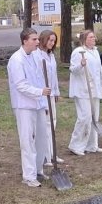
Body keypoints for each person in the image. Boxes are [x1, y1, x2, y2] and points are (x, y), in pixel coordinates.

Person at [7, 28, 46, 187]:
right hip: (23, 105)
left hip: (39, 103)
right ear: (25, 41)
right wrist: (39, 92)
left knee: (42, 138)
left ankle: (38, 169)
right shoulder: (16, 60)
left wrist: (43, 96)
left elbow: (40, 77)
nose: (37, 42)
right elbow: (20, 85)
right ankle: (29, 175)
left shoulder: (36, 56)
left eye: (37, 39)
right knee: (27, 140)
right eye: (34, 39)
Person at [67, 30, 102, 155]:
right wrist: (81, 65)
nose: (94, 39)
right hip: (83, 89)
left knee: (94, 117)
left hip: (95, 89)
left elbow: (100, 70)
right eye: (91, 37)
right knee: (85, 117)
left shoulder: (95, 51)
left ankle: (91, 145)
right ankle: (76, 145)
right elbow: (73, 70)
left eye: (94, 37)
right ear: (84, 39)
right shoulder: (78, 52)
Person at [35, 30, 61, 170]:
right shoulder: (37, 55)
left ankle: (52, 153)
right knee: (45, 124)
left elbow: (53, 75)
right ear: (44, 40)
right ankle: (45, 155)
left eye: (54, 41)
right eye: (50, 40)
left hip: (51, 93)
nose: (52, 43)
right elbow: (37, 77)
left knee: (52, 122)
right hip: (42, 93)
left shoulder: (51, 56)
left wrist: (56, 91)